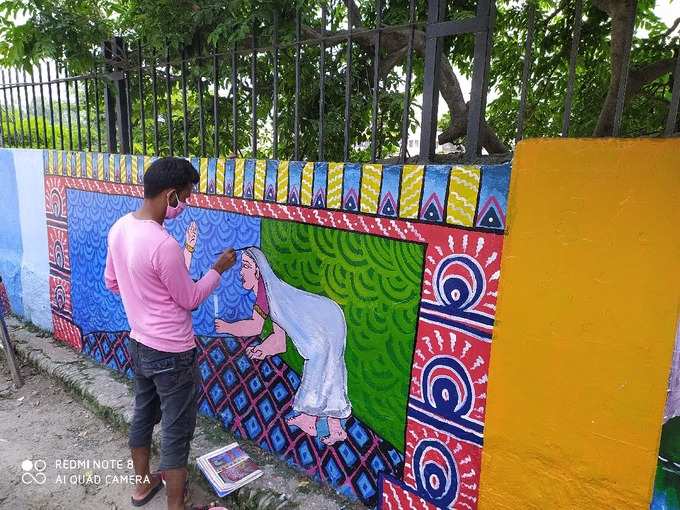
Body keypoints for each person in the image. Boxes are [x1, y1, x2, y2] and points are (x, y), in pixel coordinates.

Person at [104, 157, 236, 510]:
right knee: (177, 430)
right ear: (170, 195)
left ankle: (141, 486)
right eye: (186, 197)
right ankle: (177, 505)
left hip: (140, 343)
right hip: (174, 353)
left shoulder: (119, 228)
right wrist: (217, 269)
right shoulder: (164, 246)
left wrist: (143, 298)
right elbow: (190, 299)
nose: (186, 204)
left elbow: (112, 282)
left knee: (144, 414)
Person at [214, 247, 351, 445]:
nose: (240, 272)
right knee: (330, 367)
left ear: (258, 271)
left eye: (245, 266)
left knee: (320, 362)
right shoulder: (273, 294)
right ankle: (329, 425)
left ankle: (313, 420)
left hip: (325, 319)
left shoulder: (267, 293)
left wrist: (227, 327)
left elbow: (255, 326)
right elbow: (279, 341)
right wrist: (262, 349)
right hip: (329, 316)